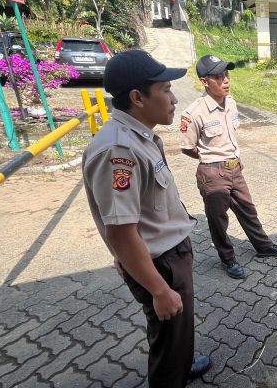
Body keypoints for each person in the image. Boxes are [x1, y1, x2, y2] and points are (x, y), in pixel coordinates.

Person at [82, 50, 211, 387]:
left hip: (165, 255)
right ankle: (172, 374)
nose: (173, 99)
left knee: (177, 332)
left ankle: (181, 364)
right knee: (168, 336)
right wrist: (158, 289)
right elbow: (122, 233)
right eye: (166, 90)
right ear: (138, 97)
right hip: (160, 264)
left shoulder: (140, 136)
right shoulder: (119, 150)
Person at [179, 54, 277, 279]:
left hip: (235, 168)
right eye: (219, 77)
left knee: (248, 210)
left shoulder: (230, 102)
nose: (226, 80)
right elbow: (187, 147)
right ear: (204, 82)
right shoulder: (193, 113)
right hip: (212, 172)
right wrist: (213, 160)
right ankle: (227, 259)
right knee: (218, 220)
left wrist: (232, 160)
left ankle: (264, 246)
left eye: (227, 75)